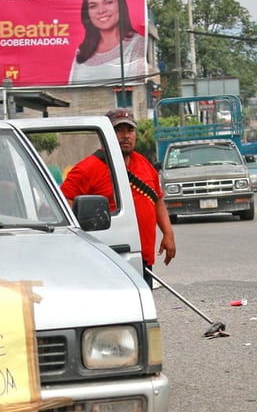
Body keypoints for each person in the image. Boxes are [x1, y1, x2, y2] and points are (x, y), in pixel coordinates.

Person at [61, 108, 175, 286]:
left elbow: (157, 199)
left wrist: (168, 233)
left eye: (130, 130)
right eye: (119, 130)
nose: (126, 136)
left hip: (141, 254)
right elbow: (62, 204)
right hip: (108, 256)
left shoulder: (143, 163)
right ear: (106, 134)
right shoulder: (87, 168)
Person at [69, 0, 146, 84]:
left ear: (120, 5)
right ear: (88, 13)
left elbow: (139, 89)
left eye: (108, 2)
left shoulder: (137, 44)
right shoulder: (83, 50)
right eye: (93, 6)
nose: (101, 11)